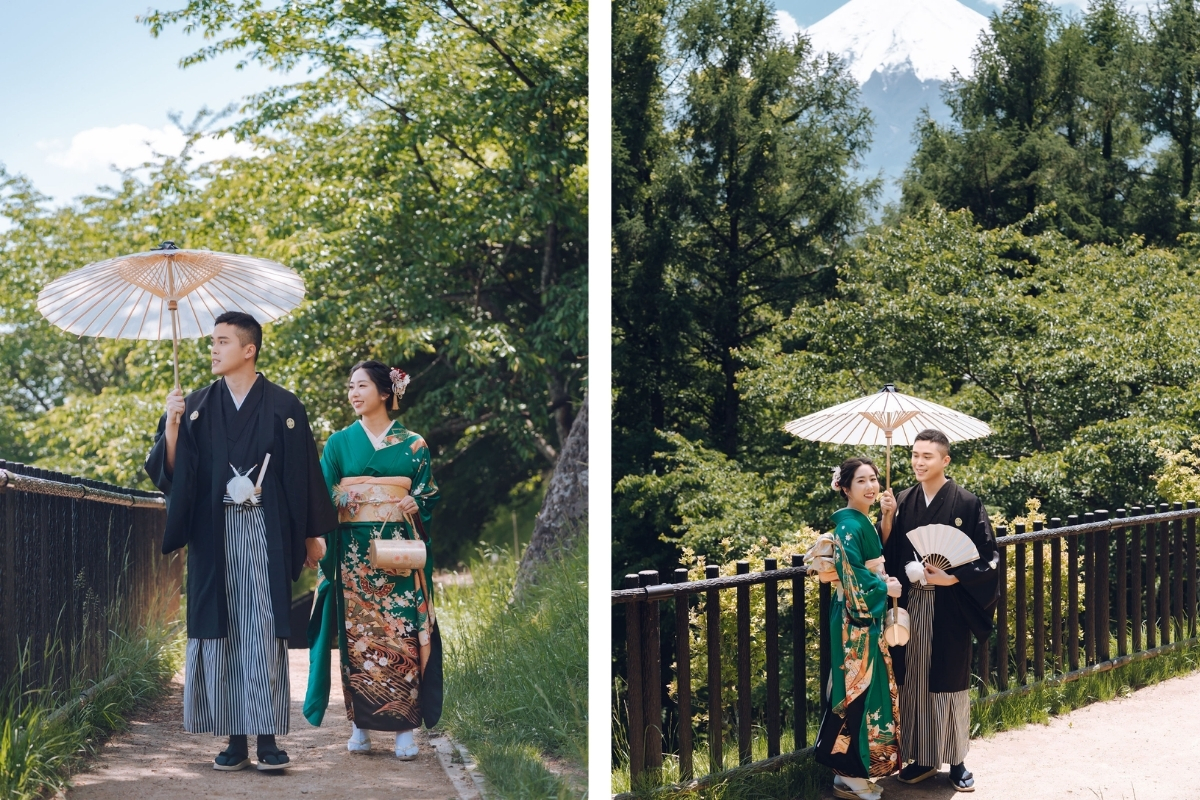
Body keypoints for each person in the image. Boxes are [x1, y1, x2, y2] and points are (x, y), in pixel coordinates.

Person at [145, 310, 338, 772]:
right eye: (212, 341)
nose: (213, 348)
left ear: (248, 350)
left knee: (262, 628)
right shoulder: (194, 406)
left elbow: (303, 474)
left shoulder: (285, 407)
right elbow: (171, 475)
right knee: (226, 628)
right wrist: (172, 428)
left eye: (223, 341)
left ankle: (267, 737)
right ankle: (234, 738)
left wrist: (313, 536)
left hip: (264, 531)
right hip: (214, 533)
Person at [303, 360, 441, 760]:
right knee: (357, 639)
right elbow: (321, 490)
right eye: (350, 386)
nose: (354, 393)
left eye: (361, 386)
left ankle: (404, 731)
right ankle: (360, 724)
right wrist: (341, 499)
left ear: (386, 392)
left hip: (398, 552)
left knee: (403, 636)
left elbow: (429, 492)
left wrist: (417, 502)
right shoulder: (338, 443)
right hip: (352, 555)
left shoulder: (414, 444)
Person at [878, 429, 1000, 793]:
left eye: (927, 456)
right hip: (914, 603)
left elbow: (988, 556)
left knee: (949, 679)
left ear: (945, 460)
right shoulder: (902, 499)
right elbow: (891, 553)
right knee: (912, 679)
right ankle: (923, 758)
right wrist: (887, 519)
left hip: (950, 605)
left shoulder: (966, 503)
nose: (918, 462)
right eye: (915, 455)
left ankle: (957, 759)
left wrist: (954, 578)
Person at [814, 457, 903, 800]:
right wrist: (884, 588)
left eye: (874, 479)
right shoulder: (849, 526)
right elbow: (851, 575)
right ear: (845, 487)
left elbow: (865, 569)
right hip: (855, 619)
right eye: (862, 481)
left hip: (861, 618)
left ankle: (848, 772)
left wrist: (883, 578)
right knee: (855, 690)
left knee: (864, 687)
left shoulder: (861, 522)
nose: (870, 486)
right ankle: (850, 771)